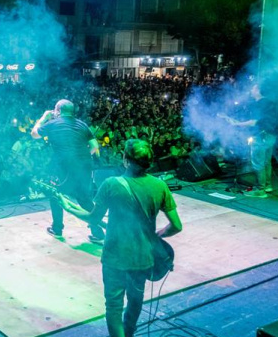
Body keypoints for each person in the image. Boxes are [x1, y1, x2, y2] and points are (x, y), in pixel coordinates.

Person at [58, 140, 183, 337]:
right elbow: (176, 226)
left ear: (125, 160)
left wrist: (68, 207)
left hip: (115, 258)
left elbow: (93, 218)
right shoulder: (160, 185)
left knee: (114, 307)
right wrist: (157, 235)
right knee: (135, 301)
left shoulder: (111, 184)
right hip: (143, 258)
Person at [31, 99, 104, 243]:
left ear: (57, 111)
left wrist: (44, 117)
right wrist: (82, 156)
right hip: (85, 166)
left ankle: (57, 228)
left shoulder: (52, 123)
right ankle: (98, 233)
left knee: (56, 195)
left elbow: (34, 134)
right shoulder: (81, 124)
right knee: (84, 199)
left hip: (65, 167)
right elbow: (95, 146)